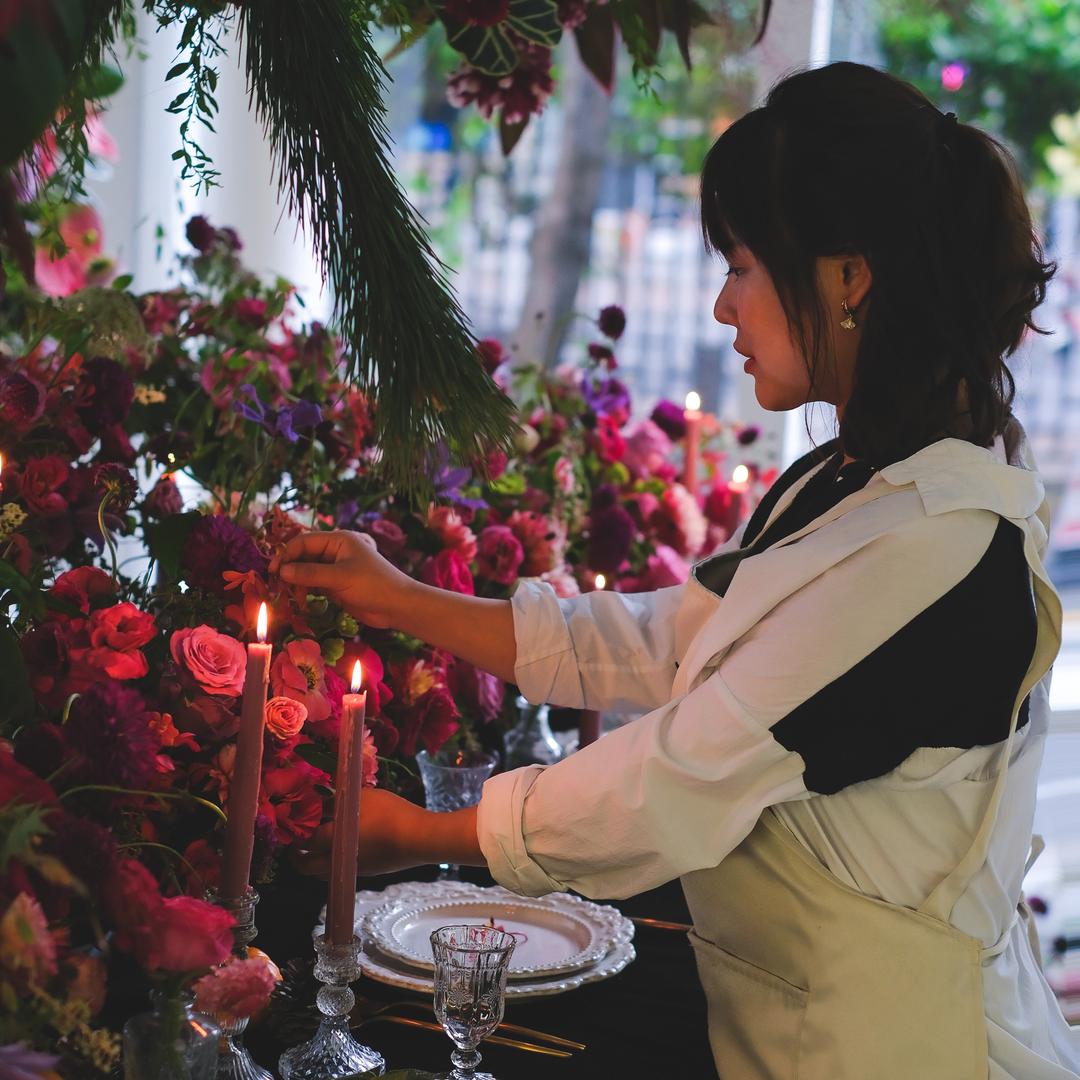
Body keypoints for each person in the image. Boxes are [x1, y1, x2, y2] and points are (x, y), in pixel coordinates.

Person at [273, 62, 1080, 1078]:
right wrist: (398, 596)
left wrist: (417, 833)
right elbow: (672, 641)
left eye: (742, 264)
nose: (720, 307)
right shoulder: (863, 480)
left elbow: (676, 780)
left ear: (847, 278)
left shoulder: (934, 551)